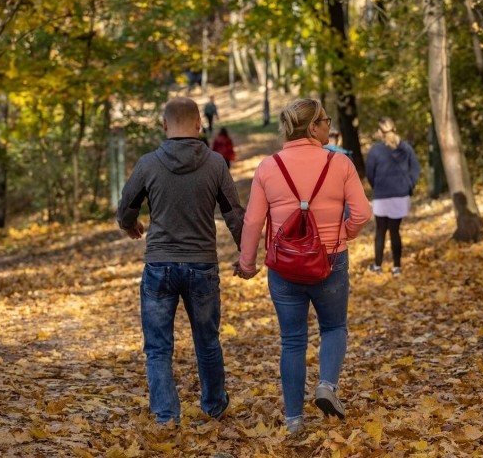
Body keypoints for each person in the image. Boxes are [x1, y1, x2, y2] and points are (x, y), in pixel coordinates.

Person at [237, 98, 370, 436]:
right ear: (313, 127)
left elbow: (252, 221)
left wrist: (247, 263)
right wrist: (344, 234)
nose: (329, 125)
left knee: (292, 340)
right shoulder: (339, 164)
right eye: (325, 120)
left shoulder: (269, 167)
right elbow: (362, 213)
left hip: (284, 268)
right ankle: (326, 386)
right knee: (334, 327)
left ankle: (294, 419)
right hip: (331, 259)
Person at [116, 97, 244, 425]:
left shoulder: (148, 164)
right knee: (207, 341)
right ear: (200, 125)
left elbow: (125, 209)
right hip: (202, 265)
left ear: (164, 125)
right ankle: (214, 406)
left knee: (158, 348)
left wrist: (130, 224)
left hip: (159, 266)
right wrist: (246, 254)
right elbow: (234, 215)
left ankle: (166, 416)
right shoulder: (216, 164)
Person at [365, 116, 421, 276]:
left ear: (380, 132)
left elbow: (370, 173)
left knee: (381, 231)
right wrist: (409, 186)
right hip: (400, 196)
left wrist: (377, 186)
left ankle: (377, 266)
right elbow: (415, 169)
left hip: (382, 195)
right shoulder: (406, 148)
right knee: (395, 231)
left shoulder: (376, 150)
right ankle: (397, 267)